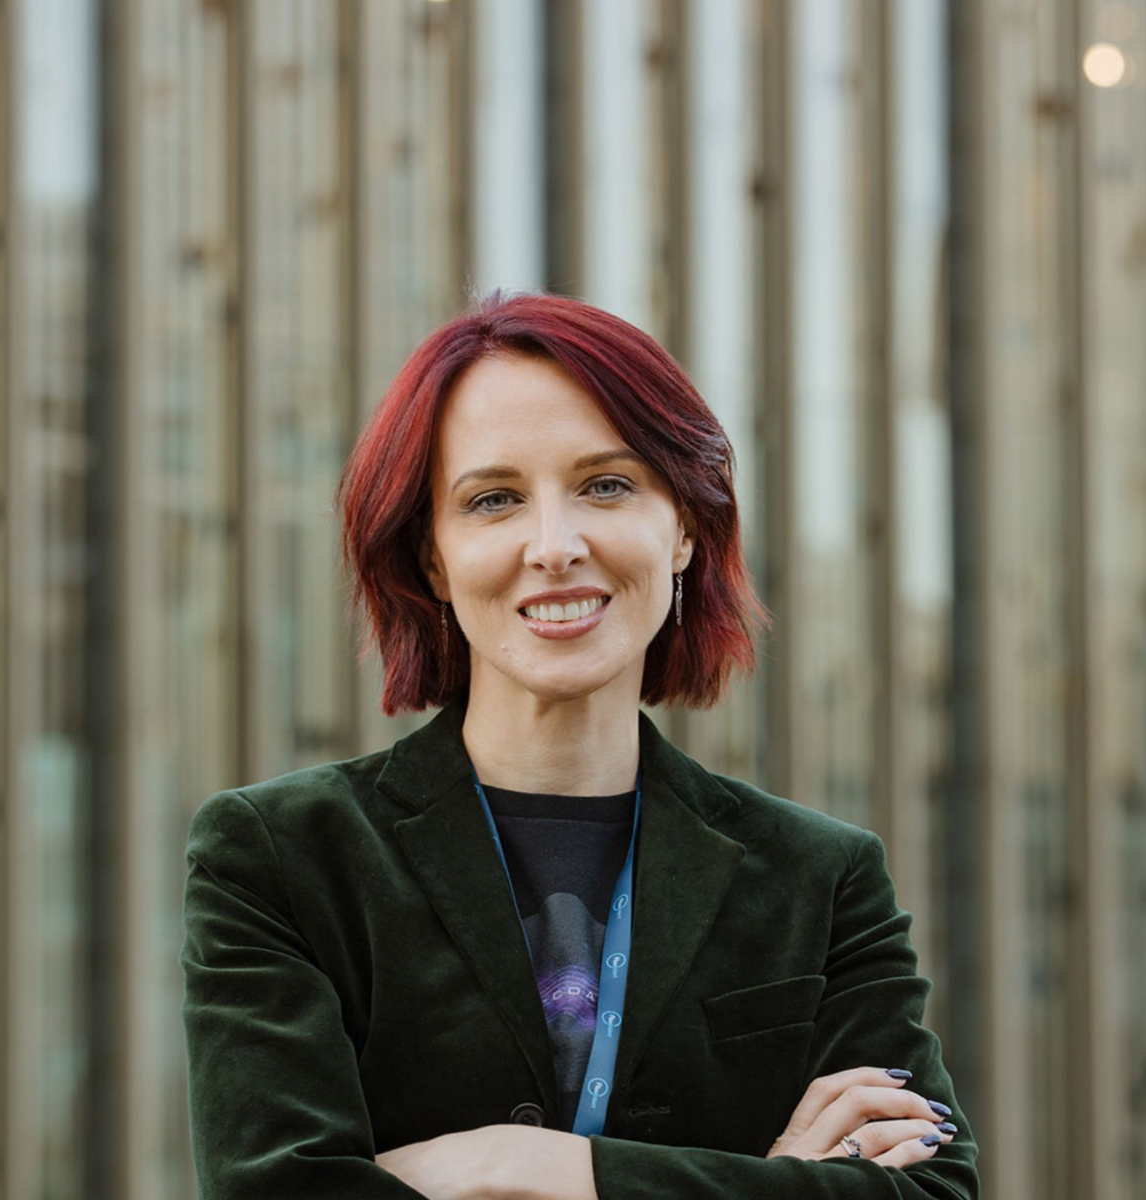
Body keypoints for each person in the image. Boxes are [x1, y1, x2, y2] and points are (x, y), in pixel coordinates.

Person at [179, 289, 979, 1200]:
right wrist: (771, 1184)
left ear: (683, 528)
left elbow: (931, 1190)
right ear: (432, 559)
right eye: (494, 500)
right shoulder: (282, 857)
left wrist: (526, 1167)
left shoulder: (821, 879)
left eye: (607, 485)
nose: (554, 545)